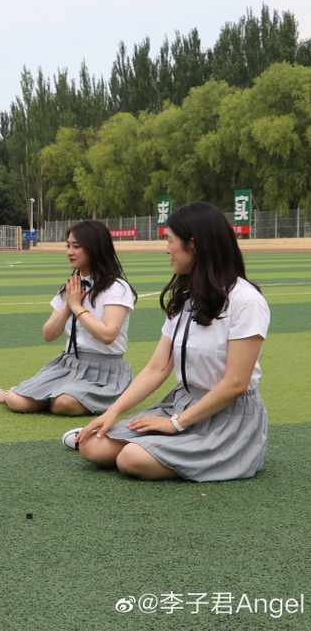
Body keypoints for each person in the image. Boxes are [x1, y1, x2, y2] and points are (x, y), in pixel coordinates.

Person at [73, 201, 270, 482]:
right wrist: (112, 413)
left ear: (194, 245)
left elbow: (235, 384)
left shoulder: (246, 300)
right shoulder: (187, 298)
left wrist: (175, 424)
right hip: (182, 404)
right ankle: (156, 444)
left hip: (228, 418)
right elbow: (157, 368)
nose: (166, 249)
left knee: (131, 459)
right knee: (92, 447)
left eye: (170, 240)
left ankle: (195, 449)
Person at [0, 220, 137, 415]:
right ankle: (6, 394)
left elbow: (108, 335)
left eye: (76, 246)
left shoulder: (117, 288)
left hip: (105, 371)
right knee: (17, 402)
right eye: (68, 245)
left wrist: (77, 307)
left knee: (64, 404)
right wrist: (68, 305)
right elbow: (48, 335)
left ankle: (50, 398)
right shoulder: (72, 286)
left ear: (95, 248)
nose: (69, 251)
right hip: (69, 364)